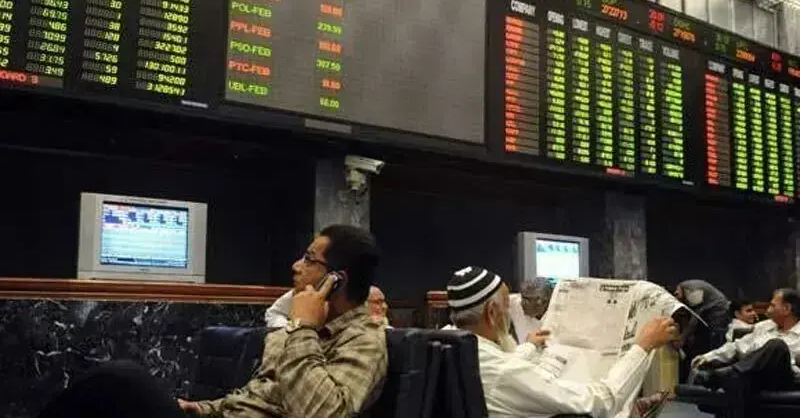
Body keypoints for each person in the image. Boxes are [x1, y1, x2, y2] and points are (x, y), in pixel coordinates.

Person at [40, 225, 388, 418]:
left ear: (336, 280)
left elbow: (323, 414)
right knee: (112, 398)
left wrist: (302, 328)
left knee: (121, 378)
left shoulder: (364, 340)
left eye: (309, 260)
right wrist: (204, 409)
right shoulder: (301, 327)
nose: (296, 266)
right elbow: (262, 397)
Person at [446, 266, 678, 417]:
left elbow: (499, 369)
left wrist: (529, 346)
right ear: (492, 313)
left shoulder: (450, 346)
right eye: (507, 305)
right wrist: (642, 346)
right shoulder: (504, 372)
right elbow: (598, 402)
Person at [691, 288, 800, 418]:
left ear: (787, 308)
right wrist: (707, 357)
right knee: (738, 380)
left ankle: (728, 374)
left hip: (784, 379)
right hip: (753, 376)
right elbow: (738, 346)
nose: (768, 309)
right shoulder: (764, 327)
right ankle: (732, 374)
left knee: (777, 346)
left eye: (772, 305)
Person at [508, 278, 552, 344]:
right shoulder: (513, 303)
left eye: (527, 299)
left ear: (543, 301)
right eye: (522, 297)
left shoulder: (553, 314)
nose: (522, 302)